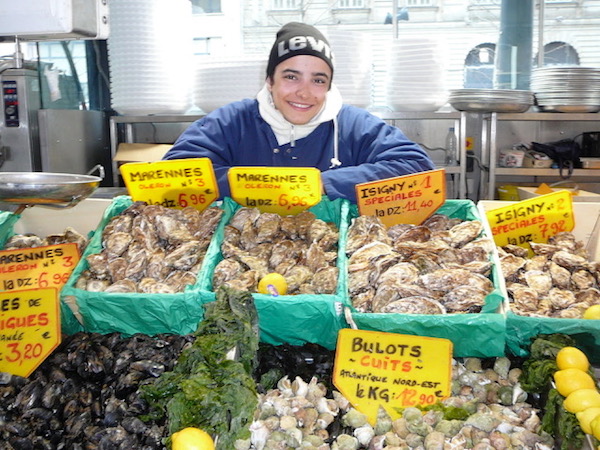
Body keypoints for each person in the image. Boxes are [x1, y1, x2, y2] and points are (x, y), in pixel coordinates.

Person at [163, 22, 435, 202]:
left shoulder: (355, 125)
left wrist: (321, 183)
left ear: (329, 86)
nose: (304, 93)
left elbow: (417, 169)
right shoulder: (230, 122)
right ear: (269, 81)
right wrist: (257, 184)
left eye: (318, 80)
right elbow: (173, 175)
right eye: (291, 77)